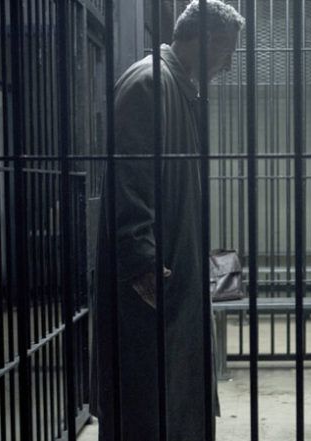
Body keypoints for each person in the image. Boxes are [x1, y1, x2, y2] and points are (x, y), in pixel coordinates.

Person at [93, 2, 244, 440]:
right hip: (154, 277)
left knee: (166, 394)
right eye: (227, 51)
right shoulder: (151, 83)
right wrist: (142, 261)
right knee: (148, 396)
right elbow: (130, 177)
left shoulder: (171, 84)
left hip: (171, 271)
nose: (228, 64)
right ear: (207, 39)